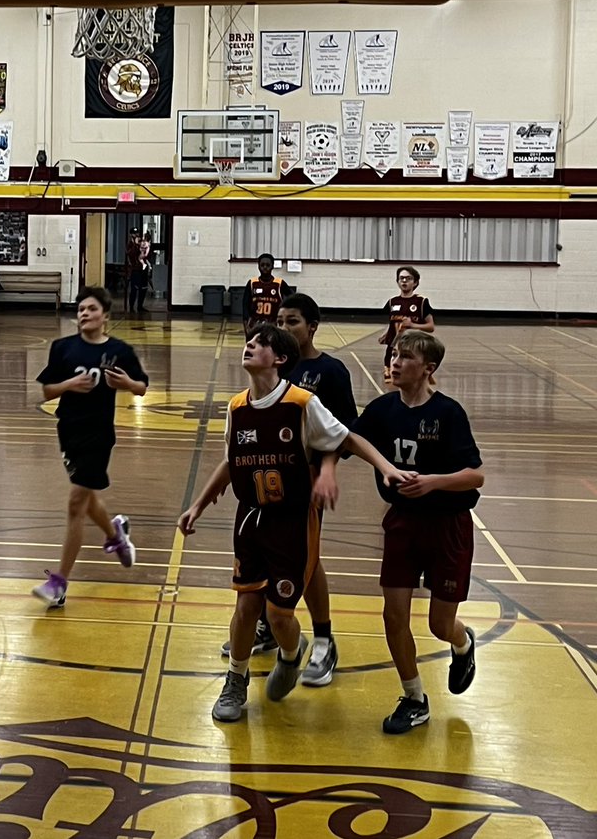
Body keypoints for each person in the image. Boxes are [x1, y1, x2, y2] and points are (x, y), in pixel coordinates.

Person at [178, 324, 410, 724]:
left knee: (279, 614)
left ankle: (290, 652)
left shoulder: (301, 403)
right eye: (248, 342)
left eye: (259, 343)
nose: (249, 346)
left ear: (280, 358)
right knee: (246, 603)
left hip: (292, 520)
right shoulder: (236, 407)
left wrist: (386, 467)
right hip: (250, 517)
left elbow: (348, 438)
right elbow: (230, 461)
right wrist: (198, 504)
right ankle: (236, 679)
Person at [348, 331, 483, 735]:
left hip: (448, 525)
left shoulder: (448, 413)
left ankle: (462, 643)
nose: (394, 362)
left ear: (428, 369)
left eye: (404, 357)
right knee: (393, 614)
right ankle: (413, 698)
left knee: (439, 625)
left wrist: (433, 482)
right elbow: (348, 439)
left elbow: (475, 475)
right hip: (403, 523)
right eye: (393, 355)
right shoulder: (381, 410)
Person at [222, 293, 359, 686]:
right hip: (266, 484)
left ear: (312, 326)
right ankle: (269, 625)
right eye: (279, 321)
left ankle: (322, 637)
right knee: (268, 569)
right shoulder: (262, 379)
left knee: (309, 563)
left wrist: (326, 472)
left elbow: (344, 435)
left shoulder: (328, 372)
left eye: (292, 322)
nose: (284, 328)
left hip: (307, 485)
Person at [33, 285, 149, 608]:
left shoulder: (119, 350)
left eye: (92, 309)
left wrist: (126, 384)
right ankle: (115, 534)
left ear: (105, 316)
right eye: (81, 309)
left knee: (75, 503)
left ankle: (59, 583)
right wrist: (69, 385)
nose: (84, 313)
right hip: (69, 430)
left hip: (99, 434)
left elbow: (141, 387)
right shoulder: (62, 348)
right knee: (87, 498)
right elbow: (46, 392)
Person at [380, 266, 435, 385]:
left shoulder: (421, 302)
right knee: (391, 383)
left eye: (408, 278)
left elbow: (431, 327)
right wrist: (386, 334)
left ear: (415, 282)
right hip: (394, 347)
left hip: (413, 347)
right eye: (401, 278)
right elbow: (393, 323)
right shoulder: (392, 302)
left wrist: (412, 325)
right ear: (398, 282)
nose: (404, 281)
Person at [243, 253, 292, 334]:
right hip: (255, 324)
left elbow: (292, 298)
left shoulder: (279, 283)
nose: (265, 267)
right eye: (262, 265)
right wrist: (245, 324)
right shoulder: (252, 283)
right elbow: (245, 305)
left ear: (272, 266)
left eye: (267, 265)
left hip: (273, 324)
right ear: (258, 266)